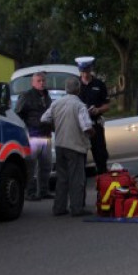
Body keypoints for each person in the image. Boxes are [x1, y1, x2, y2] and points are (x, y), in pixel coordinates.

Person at [41, 77, 95, 217]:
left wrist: (55, 127)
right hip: (75, 146)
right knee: (77, 178)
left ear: (66, 89)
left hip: (60, 145)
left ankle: (59, 207)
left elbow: (44, 119)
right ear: (78, 89)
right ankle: (77, 208)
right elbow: (86, 127)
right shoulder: (80, 106)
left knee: (62, 178)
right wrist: (93, 133)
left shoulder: (57, 103)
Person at [14, 71, 53, 200]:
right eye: (39, 81)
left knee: (46, 166)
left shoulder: (47, 96)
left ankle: (44, 190)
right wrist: (26, 128)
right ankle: (29, 192)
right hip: (32, 135)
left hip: (46, 135)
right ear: (33, 83)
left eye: (43, 81)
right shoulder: (26, 96)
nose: (42, 83)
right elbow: (17, 114)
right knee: (31, 167)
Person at [75, 56, 110, 173]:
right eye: (83, 71)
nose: (85, 74)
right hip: (80, 128)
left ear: (91, 69)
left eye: (87, 71)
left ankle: (103, 187)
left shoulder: (99, 84)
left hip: (95, 125)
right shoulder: (76, 85)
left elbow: (107, 105)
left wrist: (98, 110)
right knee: (80, 161)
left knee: (101, 158)